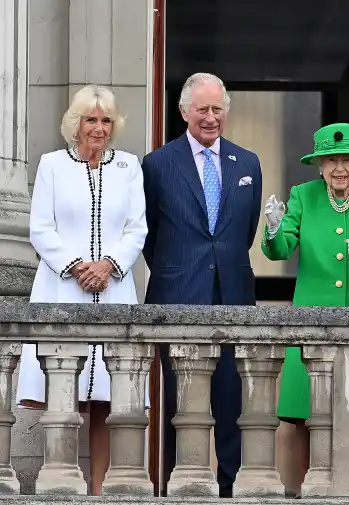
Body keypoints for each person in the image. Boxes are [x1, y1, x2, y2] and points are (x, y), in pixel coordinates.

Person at [261, 122, 349, 497]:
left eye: (347, 160)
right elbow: (279, 249)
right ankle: (311, 491)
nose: (339, 168)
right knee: (309, 417)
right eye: (331, 160)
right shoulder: (303, 196)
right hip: (311, 324)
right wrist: (275, 228)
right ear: (319, 165)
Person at [18, 85, 147, 495]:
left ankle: (102, 493)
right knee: (63, 393)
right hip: (63, 289)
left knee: (108, 398)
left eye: (106, 120)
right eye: (90, 119)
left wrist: (109, 265)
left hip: (113, 289)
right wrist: (77, 267)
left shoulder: (129, 166)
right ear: (76, 124)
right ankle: (61, 487)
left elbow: (136, 228)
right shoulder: (52, 165)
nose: (99, 127)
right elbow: (40, 228)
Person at [141, 72, 263, 497]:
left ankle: (230, 489)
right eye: (202, 110)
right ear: (184, 112)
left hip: (233, 296)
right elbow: (150, 236)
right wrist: (181, 269)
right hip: (177, 294)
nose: (210, 118)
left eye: (217, 110)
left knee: (232, 402)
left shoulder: (247, 163)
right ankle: (183, 488)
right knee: (182, 405)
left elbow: (245, 232)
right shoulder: (157, 163)